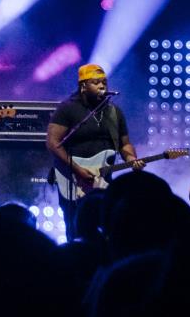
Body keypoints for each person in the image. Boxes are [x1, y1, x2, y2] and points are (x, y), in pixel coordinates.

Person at [45, 62, 142, 236]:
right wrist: (77, 169)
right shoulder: (67, 108)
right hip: (72, 178)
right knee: (75, 226)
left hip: (103, 178)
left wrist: (131, 159)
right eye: (96, 82)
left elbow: (124, 143)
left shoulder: (114, 112)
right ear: (83, 86)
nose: (102, 85)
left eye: (104, 82)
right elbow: (53, 143)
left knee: (105, 224)